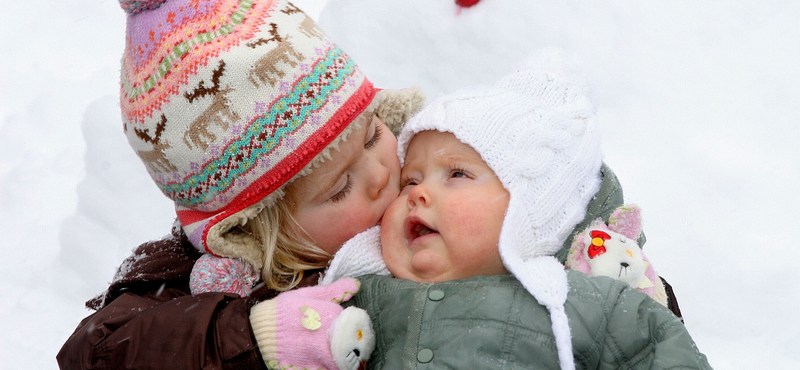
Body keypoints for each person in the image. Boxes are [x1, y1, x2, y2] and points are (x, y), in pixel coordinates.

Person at [56, 0, 424, 369]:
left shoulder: (432, 184)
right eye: (340, 187)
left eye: (374, 136)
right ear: (251, 231)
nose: (380, 175)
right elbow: (98, 353)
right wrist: (248, 337)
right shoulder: (207, 285)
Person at [324, 49, 711, 369]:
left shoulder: (580, 301)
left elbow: (661, 353)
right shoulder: (355, 298)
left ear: (528, 210)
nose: (418, 193)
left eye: (457, 174)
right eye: (410, 180)